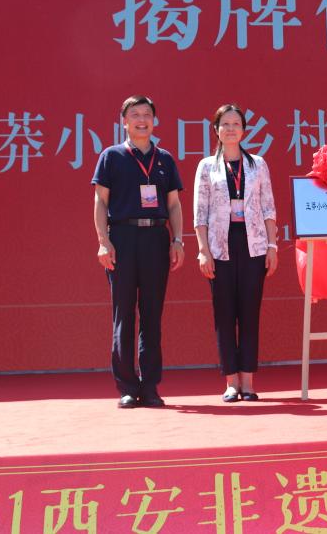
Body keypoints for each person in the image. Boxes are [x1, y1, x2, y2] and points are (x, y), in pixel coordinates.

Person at [92, 95, 185, 409]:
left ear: (154, 121)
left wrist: (177, 240)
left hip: (156, 238)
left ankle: (150, 386)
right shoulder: (111, 156)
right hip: (122, 237)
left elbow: (174, 204)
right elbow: (100, 201)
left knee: (152, 315)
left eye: (147, 115)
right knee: (124, 313)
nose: (141, 120)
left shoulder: (165, 159)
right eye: (135, 115)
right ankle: (127, 387)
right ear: (124, 121)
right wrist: (103, 241)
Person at [194, 104, 278, 402]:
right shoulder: (207, 166)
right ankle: (231, 381)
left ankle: (248, 381)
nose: (230, 129)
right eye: (225, 124)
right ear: (216, 130)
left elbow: (268, 206)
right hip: (220, 246)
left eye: (236, 124)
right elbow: (200, 212)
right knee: (225, 313)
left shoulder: (257, 164)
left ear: (243, 130)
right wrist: (203, 251)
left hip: (253, 244)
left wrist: (272, 246)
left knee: (249, 313)